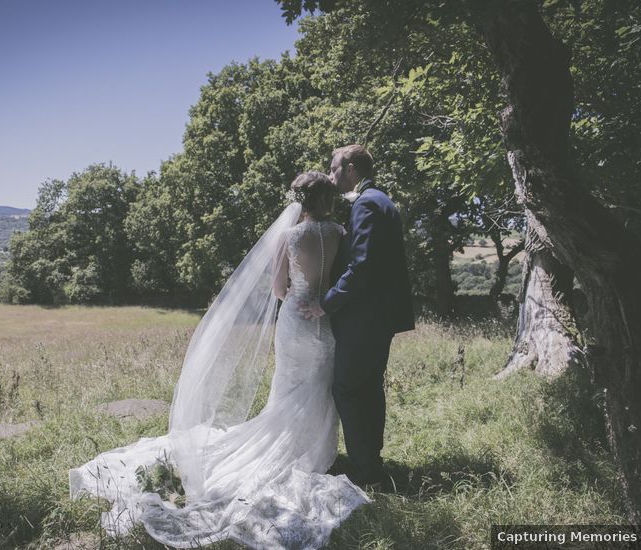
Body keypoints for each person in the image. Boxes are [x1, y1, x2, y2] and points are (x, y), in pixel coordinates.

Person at [69, 171, 369, 549]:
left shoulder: (290, 236)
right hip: (326, 320)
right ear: (328, 199)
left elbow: (278, 289)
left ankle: (287, 447)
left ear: (300, 200)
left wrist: (297, 290)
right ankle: (316, 451)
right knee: (318, 384)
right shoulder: (340, 233)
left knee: (291, 384)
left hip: (296, 317)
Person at [301, 144, 415, 487]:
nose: (331, 176)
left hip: (365, 318)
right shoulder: (378, 200)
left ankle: (365, 471)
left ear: (350, 168)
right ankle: (371, 461)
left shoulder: (367, 204)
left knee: (347, 388)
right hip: (378, 317)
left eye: (334, 169)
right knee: (368, 388)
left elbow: (362, 266)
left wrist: (327, 303)